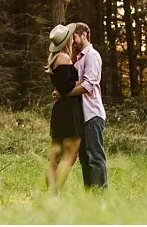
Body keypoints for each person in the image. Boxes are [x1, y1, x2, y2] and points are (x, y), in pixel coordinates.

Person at [53, 22, 108, 189]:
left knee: (95, 156)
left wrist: (64, 93)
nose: (73, 41)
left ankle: (100, 195)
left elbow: (88, 85)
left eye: (75, 37)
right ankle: (90, 194)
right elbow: (73, 83)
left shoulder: (92, 56)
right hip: (80, 116)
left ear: (84, 34)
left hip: (92, 114)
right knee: (85, 158)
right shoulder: (77, 59)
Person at [44, 23, 84, 193]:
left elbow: (61, 86)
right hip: (69, 109)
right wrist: (83, 81)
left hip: (60, 109)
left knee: (54, 158)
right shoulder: (64, 58)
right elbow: (67, 87)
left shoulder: (53, 59)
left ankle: (50, 193)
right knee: (69, 156)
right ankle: (54, 194)